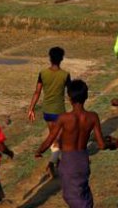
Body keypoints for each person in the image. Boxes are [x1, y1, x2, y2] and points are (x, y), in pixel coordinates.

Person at [35, 80, 110, 208]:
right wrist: (112, 144)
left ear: (69, 98)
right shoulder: (93, 117)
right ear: (86, 96)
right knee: (82, 191)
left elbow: (50, 139)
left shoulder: (64, 118)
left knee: (73, 196)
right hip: (83, 159)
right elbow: (101, 145)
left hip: (69, 162)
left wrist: (39, 151)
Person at [27, 47, 71, 177]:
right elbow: (70, 94)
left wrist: (31, 108)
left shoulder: (43, 73)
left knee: (54, 136)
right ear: (61, 59)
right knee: (59, 139)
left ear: (50, 58)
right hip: (59, 111)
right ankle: (52, 162)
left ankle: (56, 161)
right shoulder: (65, 75)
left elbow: (37, 92)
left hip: (47, 112)